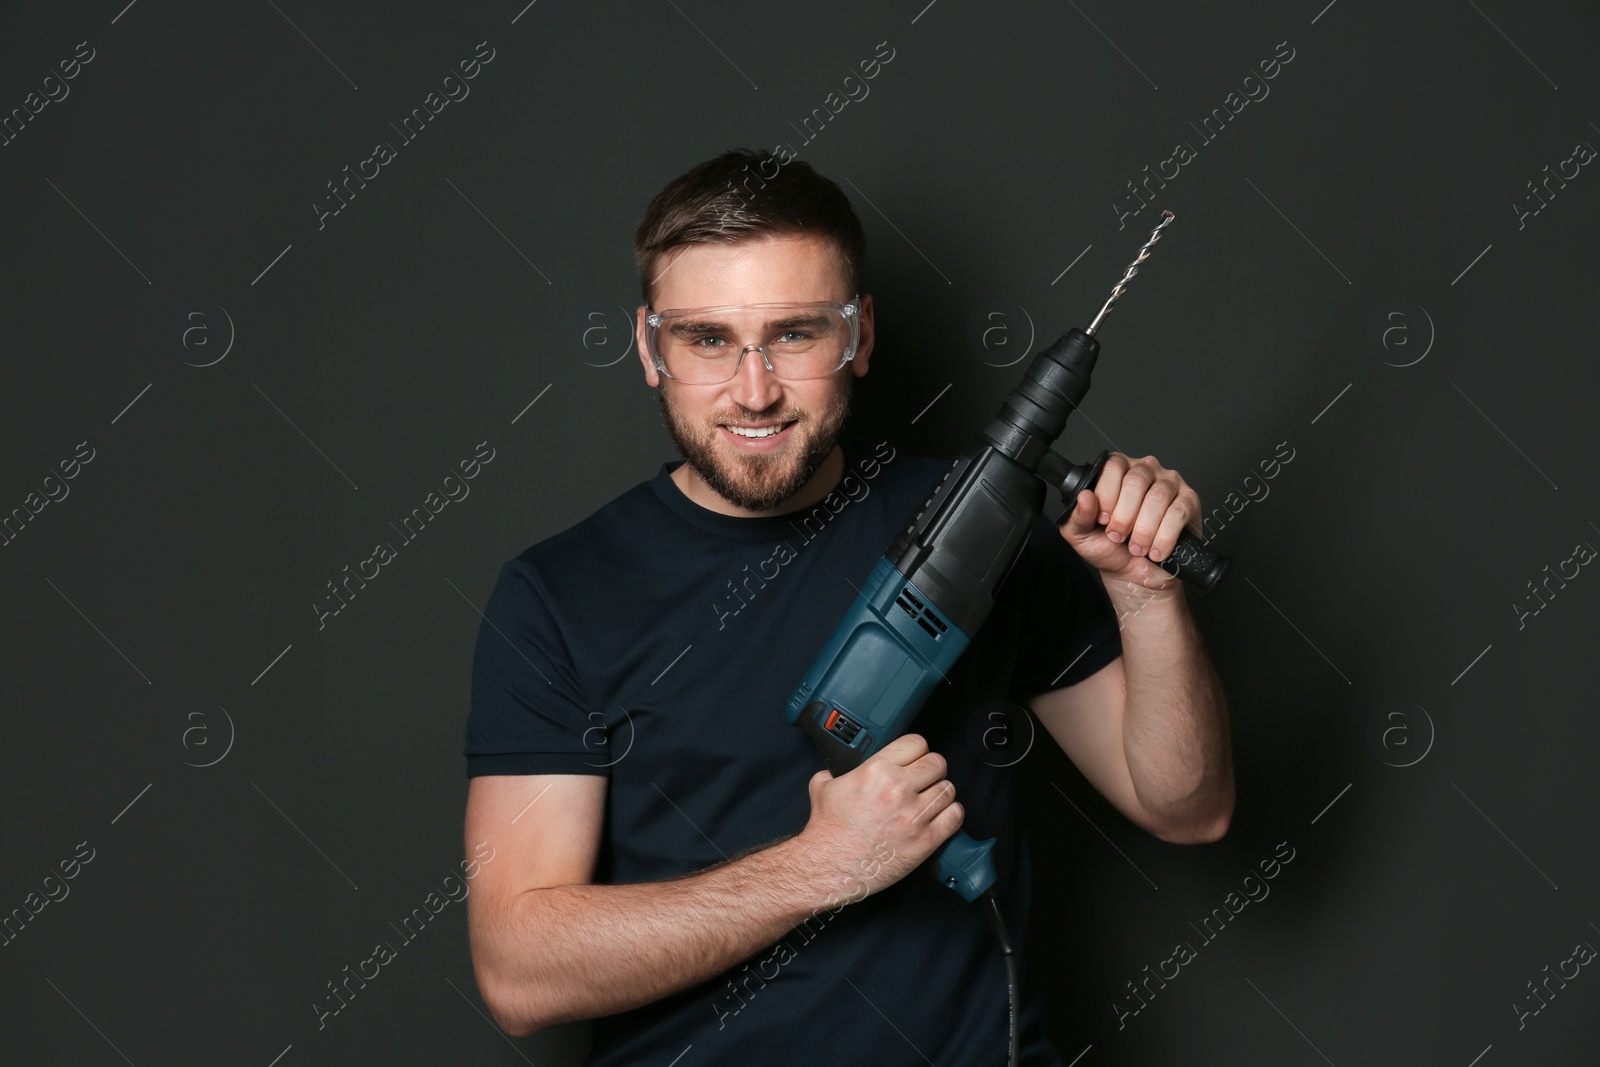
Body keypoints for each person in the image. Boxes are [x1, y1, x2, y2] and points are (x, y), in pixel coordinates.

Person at [462, 148, 1234, 1065]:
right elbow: (519, 972)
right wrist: (820, 866)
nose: (754, 390)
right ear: (649, 348)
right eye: (707, 338)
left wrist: (1145, 595)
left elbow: (1188, 807)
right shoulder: (560, 594)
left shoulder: (980, 527)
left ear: (860, 335)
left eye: (795, 334)